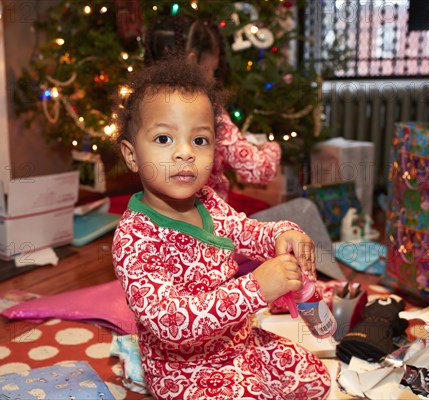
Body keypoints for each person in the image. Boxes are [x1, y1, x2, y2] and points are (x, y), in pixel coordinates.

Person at [112, 58, 330, 399]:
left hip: (240, 343)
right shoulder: (135, 237)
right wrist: (255, 288)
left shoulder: (207, 201)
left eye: (199, 141)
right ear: (131, 154)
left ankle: (253, 379)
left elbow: (246, 232)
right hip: (185, 371)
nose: (185, 153)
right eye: (164, 138)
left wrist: (282, 235)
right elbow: (169, 321)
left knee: (315, 379)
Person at [144, 14, 282, 201]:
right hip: (206, 222)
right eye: (211, 70)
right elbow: (259, 170)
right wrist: (271, 147)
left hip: (163, 219)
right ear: (193, 60)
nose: (213, 77)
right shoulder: (207, 112)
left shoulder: (142, 106)